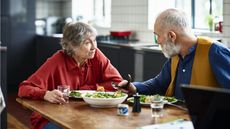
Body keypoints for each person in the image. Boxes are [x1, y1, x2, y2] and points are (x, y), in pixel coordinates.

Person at [18, 22, 122, 129]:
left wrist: (86, 91)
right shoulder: (56, 61)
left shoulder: (96, 55)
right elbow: (24, 88)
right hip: (53, 116)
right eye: (87, 43)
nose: (94, 47)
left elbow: (118, 83)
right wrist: (46, 94)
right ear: (73, 45)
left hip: (87, 114)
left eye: (94, 40)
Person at [118, 8, 230, 100]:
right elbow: (158, 84)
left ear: (172, 36)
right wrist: (134, 87)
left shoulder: (215, 53)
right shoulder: (176, 55)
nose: (158, 41)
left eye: (157, 36)